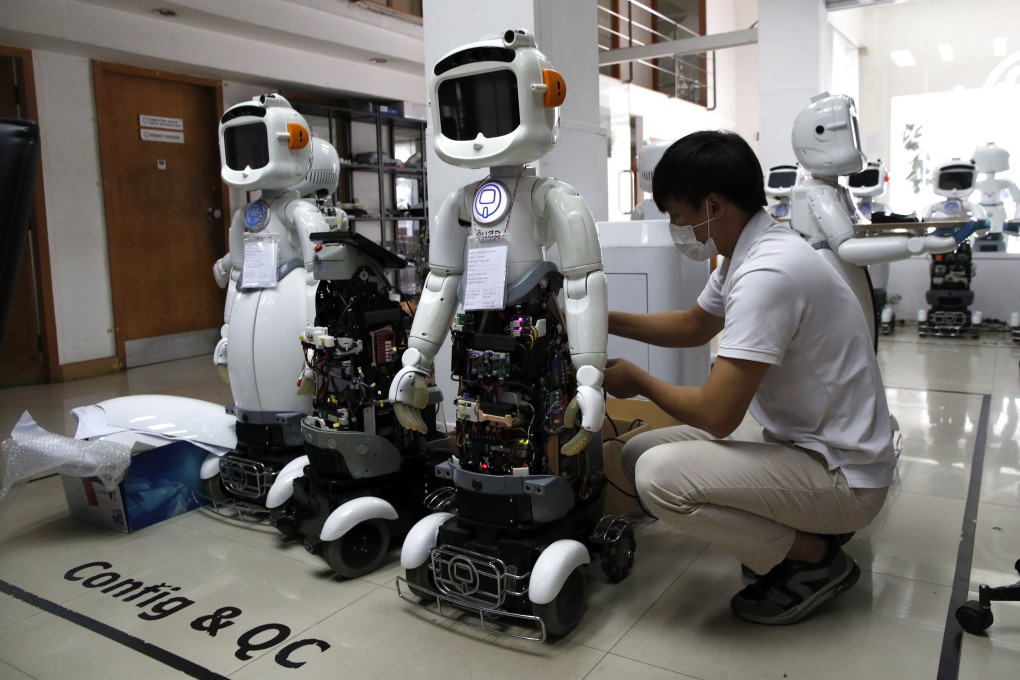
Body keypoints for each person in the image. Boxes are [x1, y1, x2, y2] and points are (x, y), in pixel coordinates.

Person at [602, 130, 896, 626]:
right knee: (636, 453)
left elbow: (717, 415)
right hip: (799, 440)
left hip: (844, 475)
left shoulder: (768, 274)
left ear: (713, 206)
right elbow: (694, 326)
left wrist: (640, 381)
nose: (676, 228)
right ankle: (798, 530)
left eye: (677, 215)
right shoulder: (748, 250)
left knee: (659, 480)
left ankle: (814, 559)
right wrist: (602, 320)